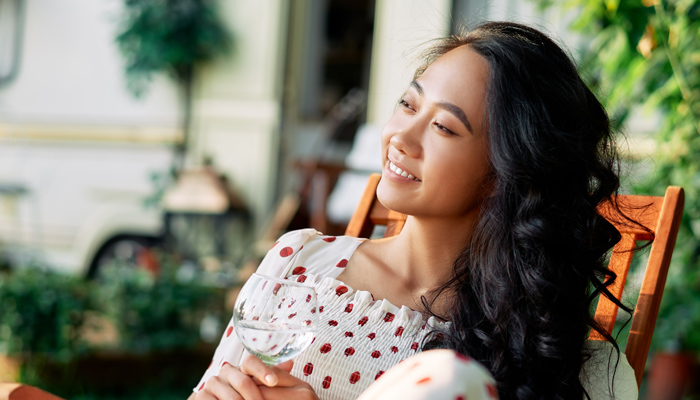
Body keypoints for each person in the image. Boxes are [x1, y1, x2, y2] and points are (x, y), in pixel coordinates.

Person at [189, 21, 640, 400]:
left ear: (507, 173)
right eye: (408, 104)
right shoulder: (301, 262)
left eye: (444, 127)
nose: (401, 137)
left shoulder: (568, 364)